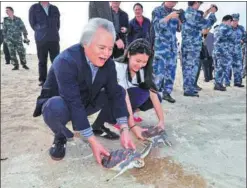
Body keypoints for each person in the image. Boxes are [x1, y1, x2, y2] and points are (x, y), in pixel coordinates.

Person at [33, 18, 135, 163]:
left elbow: (116, 93)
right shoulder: (66, 60)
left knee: (119, 91)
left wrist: (124, 129)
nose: (106, 54)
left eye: (110, 48)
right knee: (54, 107)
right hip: (62, 102)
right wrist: (93, 142)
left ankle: (95, 126)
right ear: (85, 43)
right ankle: (60, 137)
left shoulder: (108, 64)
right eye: (101, 48)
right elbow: (73, 101)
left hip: (84, 99)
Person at [100, 39, 165, 133]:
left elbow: (153, 95)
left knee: (156, 96)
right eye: (138, 61)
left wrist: (161, 121)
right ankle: (115, 119)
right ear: (129, 54)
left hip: (122, 101)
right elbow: (124, 96)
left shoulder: (141, 71)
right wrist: (133, 126)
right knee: (141, 93)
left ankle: (130, 113)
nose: (140, 65)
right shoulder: (118, 67)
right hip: (107, 101)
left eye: (144, 62)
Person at [181, 2, 217, 97]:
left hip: (187, 45)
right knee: (191, 68)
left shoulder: (187, 13)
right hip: (192, 46)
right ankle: (188, 90)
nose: (200, 5)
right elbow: (207, 23)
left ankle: (188, 87)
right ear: (195, 2)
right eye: (199, 3)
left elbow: (200, 20)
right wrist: (212, 13)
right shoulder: (194, 14)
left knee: (188, 67)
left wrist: (208, 11)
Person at [152, 1, 181, 103]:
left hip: (172, 47)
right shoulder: (157, 10)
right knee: (158, 72)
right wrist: (169, 16)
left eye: (175, 1)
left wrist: (179, 20)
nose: (173, 2)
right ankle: (153, 95)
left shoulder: (175, 12)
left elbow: (179, 29)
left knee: (171, 71)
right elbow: (157, 27)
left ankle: (166, 93)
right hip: (161, 47)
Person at [29, 1, 60, 86]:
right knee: (42, 60)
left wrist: (53, 31)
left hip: (54, 38)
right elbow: (32, 23)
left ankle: (57, 78)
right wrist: (41, 31)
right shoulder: (34, 8)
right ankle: (43, 80)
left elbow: (58, 24)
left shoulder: (54, 8)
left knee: (56, 60)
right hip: (41, 39)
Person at [213, 15, 235, 91]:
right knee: (221, 68)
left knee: (218, 67)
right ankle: (218, 84)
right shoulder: (227, 28)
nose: (231, 23)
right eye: (231, 22)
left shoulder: (217, 28)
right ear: (229, 20)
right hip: (224, 51)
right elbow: (234, 38)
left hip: (216, 51)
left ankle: (217, 83)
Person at [230, 13, 246, 87]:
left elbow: (245, 38)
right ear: (231, 20)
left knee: (238, 67)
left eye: (237, 20)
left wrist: (243, 40)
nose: (235, 22)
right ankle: (224, 83)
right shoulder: (227, 28)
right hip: (228, 52)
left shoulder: (241, 28)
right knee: (226, 68)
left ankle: (238, 82)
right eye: (234, 20)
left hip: (238, 52)